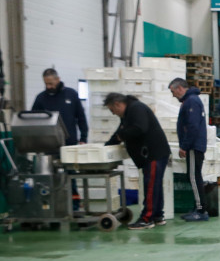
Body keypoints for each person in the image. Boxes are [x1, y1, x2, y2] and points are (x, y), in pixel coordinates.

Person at [104, 93, 170, 230]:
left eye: (112, 110)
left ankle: (147, 218)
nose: (113, 113)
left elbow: (139, 128)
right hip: (152, 154)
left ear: (118, 104)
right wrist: (107, 146)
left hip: (153, 153)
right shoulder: (128, 113)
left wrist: (122, 135)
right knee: (154, 185)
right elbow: (119, 132)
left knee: (151, 186)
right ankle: (157, 215)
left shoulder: (136, 109)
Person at [32, 68, 88, 210]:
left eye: (51, 83)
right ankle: (52, 206)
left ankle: (74, 206)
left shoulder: (71, 94)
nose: (49, 87)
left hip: (69, 145)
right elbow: (33, 120)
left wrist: (83, 137)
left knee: (70, 176)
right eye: (46, 84)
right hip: (48, 146)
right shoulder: (41, 98)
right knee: (49, 177)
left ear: (58, 79)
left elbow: (81, 117)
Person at [169, 78, 209, 222]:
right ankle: (197, 207)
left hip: (194, 146)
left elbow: (192, 126)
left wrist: (185, 145)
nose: (173, 95)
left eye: (173, 91)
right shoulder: (192, 100)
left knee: (193, 176)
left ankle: (201, 210)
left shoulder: (191, 101)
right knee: (193, 176)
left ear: (179, 88)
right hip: (194, 145)